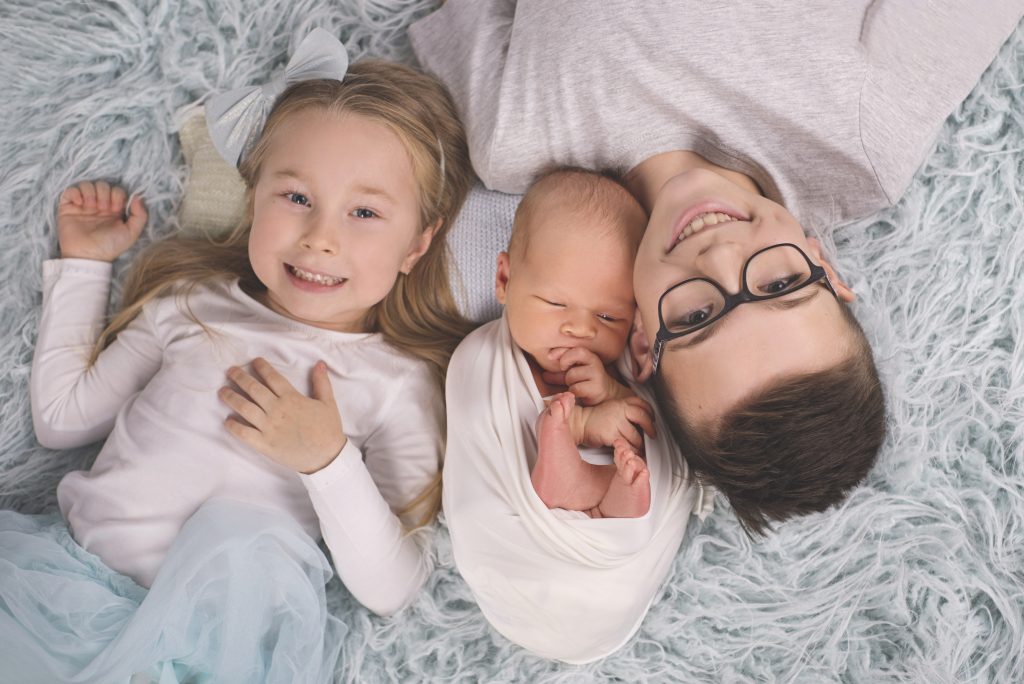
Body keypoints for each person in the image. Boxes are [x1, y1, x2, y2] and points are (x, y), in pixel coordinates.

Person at [412, 0, 1024, 661]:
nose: (722, 254)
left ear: (641, 341)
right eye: (782, 285)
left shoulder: (514, 133)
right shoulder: (862, 137)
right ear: (826, 267)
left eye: (697, 318)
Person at [0, 29, 472, 683]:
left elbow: (392, 586)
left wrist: (328, 461)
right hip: (70, 596)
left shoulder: (394, 383)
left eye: (364, 212)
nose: (320, 238)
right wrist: (84, 266)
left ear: (416, 247)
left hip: (209, 652)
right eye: (297, 198)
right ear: (255, 201)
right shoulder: (191, 306)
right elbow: (62, 418)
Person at [469, 168, 654, 518]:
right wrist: (584, 424)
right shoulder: (484, 358)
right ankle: (577, 483)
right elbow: (491, 426)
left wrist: (611, 392)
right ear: (505, 279)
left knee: (635, 467)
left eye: (608, 317)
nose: (581, 329)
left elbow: (648, 423)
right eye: (556, 303)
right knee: (551, 426)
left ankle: (616, 497)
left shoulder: (625, 363)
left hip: (610, 526)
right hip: (518, 517)